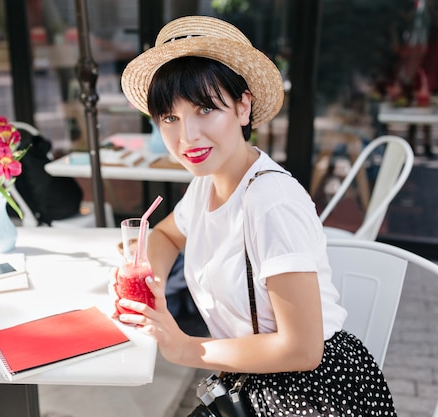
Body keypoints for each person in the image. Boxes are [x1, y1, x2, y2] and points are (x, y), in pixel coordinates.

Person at [115, 16, 396, 416]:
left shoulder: (270, 202)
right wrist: (149, 280)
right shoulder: (206, 184)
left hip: (311, 393)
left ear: (243, 106)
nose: (187, 137)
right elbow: (164, 235)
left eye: (205, 110)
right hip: (251, 380)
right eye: (170, 118)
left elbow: (302, 349)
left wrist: (186, 348)